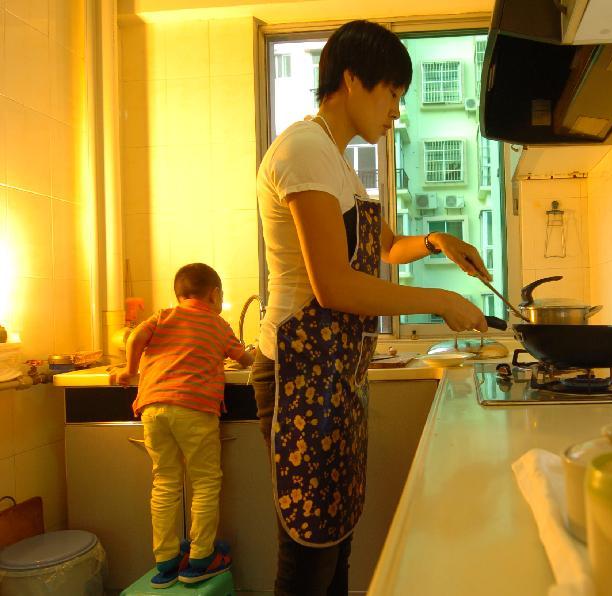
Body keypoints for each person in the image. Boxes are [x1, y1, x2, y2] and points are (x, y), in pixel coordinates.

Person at [253, 19, 490, 595]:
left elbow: (384, 248)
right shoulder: (305, 151)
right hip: (299, 373)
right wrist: (439, 300)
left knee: (336, 541)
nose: (397, 112)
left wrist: (437, 242)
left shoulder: (337, 163)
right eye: (393, 94)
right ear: (352, 80)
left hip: (334, 374)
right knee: (308, 556)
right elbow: (334, 286)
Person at [114, 263, 255, 587]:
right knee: (205, 481)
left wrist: (129, 369)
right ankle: (201, 558)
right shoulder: (218, 324)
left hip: (153, 407)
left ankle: (165, 560)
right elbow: (244, 358)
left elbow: (136, 336)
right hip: (194, 408)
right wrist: (255, 355)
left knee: (164, 480)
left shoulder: (164, 316)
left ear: (178, 294)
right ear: (215, 294)